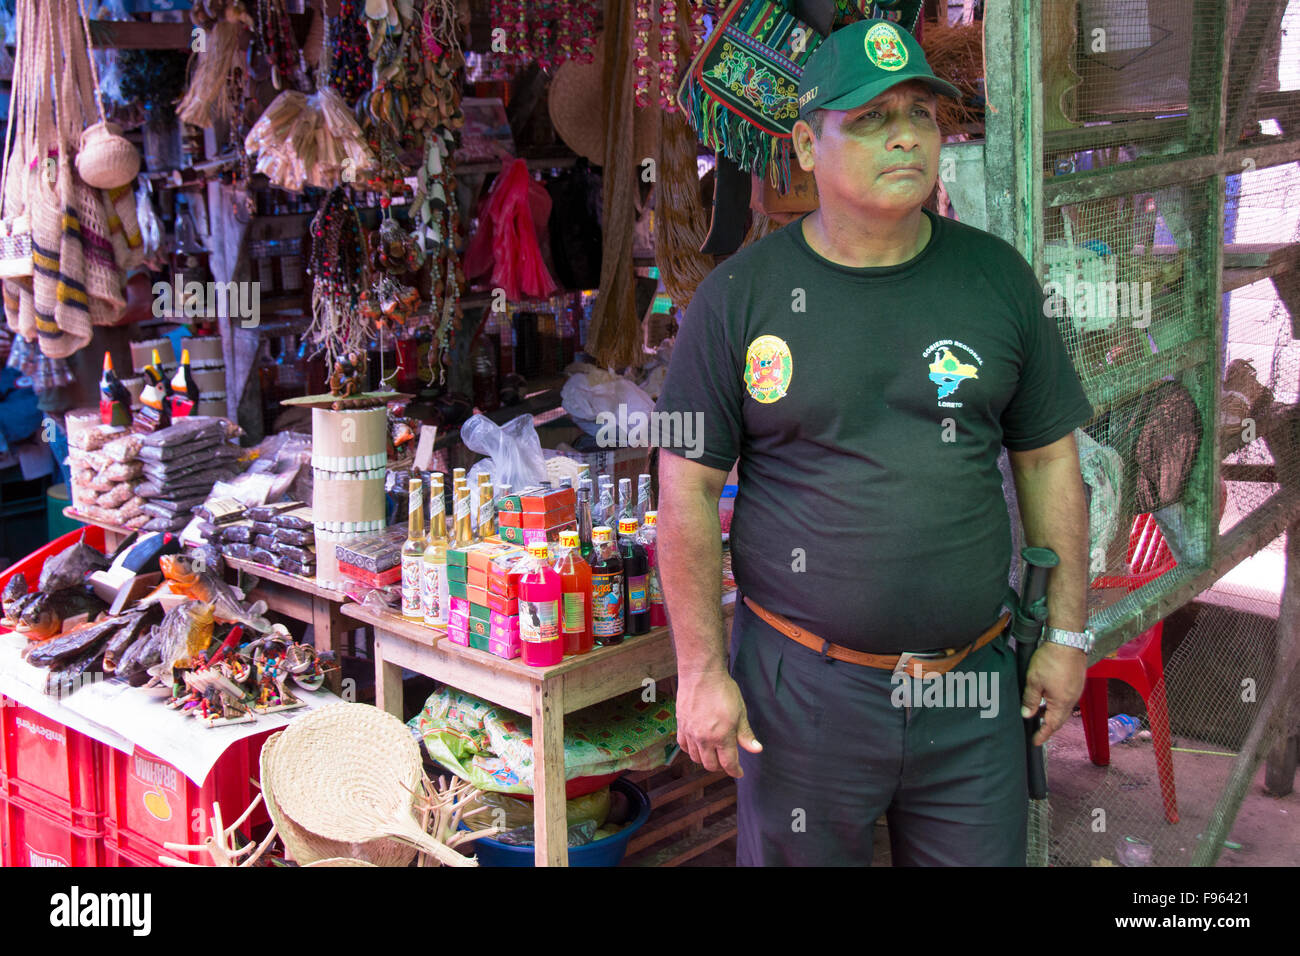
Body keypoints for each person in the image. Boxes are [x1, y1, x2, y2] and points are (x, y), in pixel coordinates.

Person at [654, 18, 1096, 866]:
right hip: (803, 694)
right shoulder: (738, 298)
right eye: (868, 117)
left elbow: (1048, 462)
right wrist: (702, 670)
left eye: (921, 114)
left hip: (973, 688)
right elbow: (687, 492)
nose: (905, 134)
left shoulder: (997, 278)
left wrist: (1066, 636)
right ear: (804, 145)